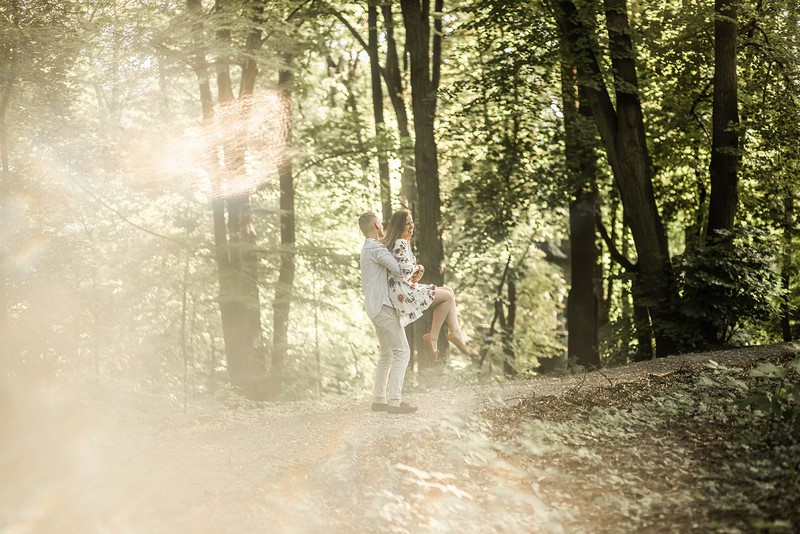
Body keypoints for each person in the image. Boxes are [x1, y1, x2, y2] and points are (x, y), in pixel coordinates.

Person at [381, 209, 469, 360]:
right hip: (403, 294)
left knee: (448, 290)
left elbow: (404, 272)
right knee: (447, 297)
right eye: (407, 224)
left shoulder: (403, 243)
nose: (411, 226)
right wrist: (417, 268)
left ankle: (454, 332)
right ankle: (438, 336)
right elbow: (404, 270)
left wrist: (416, 272)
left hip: (403, 288)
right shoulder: (399, 244)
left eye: (412, 223)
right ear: (399, 226)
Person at [358, 211, 418, 415]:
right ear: (376, 225)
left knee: (387, 353)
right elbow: (400, 270)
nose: (383, 225)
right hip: (382, 308)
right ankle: (395, 401)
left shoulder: (367, 248)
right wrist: (415, 266)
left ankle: (379, 399)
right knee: (402, 351)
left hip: (374, 307)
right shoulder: (376, 248)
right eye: (380, 222)